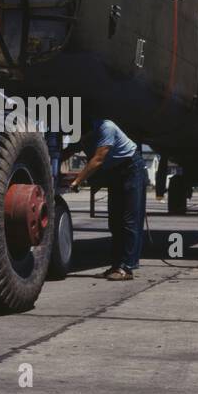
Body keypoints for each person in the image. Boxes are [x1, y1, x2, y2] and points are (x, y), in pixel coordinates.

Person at [68, 119, 147, 280]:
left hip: (132, 169)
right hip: (116, 172)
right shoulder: (90, 134)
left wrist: (77, 181)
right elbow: (72, 148)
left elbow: (98, 159)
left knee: (129, 221)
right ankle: (116, 265)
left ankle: (127, 267)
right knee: (115, 221)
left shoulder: (107, 128)